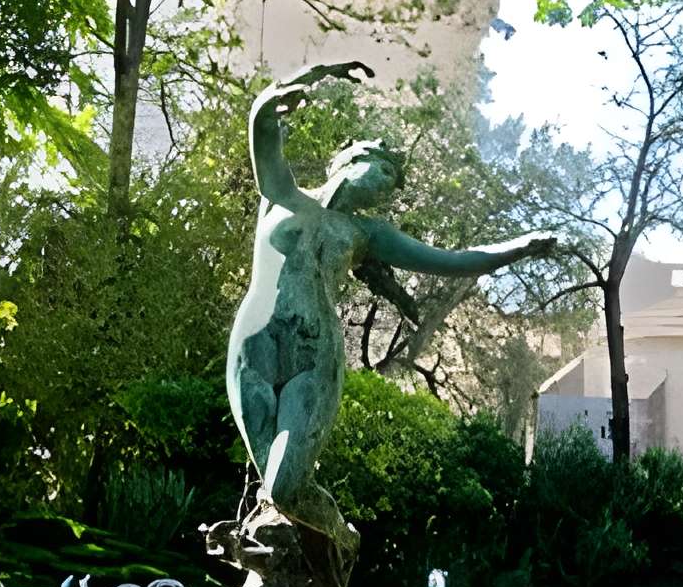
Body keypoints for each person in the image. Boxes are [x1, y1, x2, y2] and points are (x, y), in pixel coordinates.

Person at [226, 60, 557, 535]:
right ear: (349, 161)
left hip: (312, 358)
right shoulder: (283, 195)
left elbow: (455, 259)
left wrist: (518, 248)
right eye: (383, 171)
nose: (386, 186)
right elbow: (262, 130)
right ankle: (308, 586)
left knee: (282, 487)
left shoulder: (366, 233)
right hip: (253, 347)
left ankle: (342, 538)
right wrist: (311, 76)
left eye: (392, 182)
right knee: (275, 496)